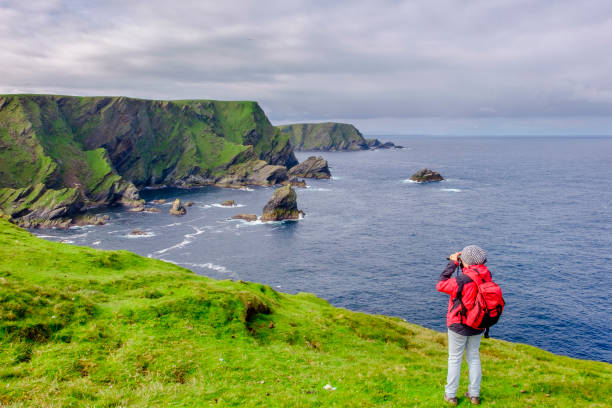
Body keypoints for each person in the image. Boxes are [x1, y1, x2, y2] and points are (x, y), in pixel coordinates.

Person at [437, 245, 490, 406]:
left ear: (464, 262)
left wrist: (452, 264)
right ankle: (474, 395)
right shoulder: (486, 277)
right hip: (478, 323)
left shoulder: (461, 280)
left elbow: (441, 285)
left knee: (455, 358)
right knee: (474, 357)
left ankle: (451, 395)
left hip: (459, 324)